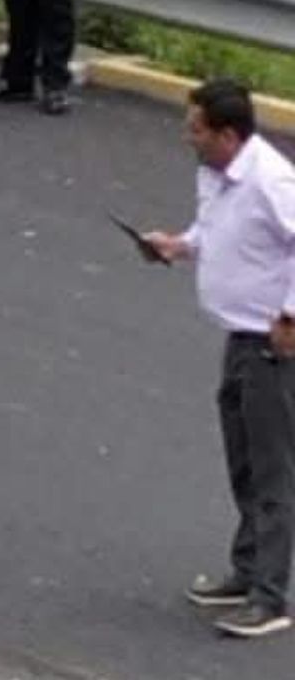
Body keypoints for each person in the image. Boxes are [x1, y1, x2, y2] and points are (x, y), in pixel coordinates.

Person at [139, 80, 295, 638]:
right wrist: (179, 245)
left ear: (228, 135)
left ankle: (271, 596)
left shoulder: (273, 180)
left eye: (197, 129)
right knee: (244, 463)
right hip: (238, 337)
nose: (189, 137)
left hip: (271, 347)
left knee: (273, 471)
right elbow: (216, 229)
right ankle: (248, 569)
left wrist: (290, 318)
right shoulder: (216, 173)